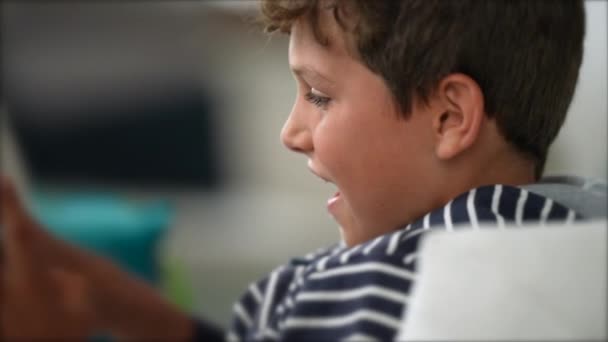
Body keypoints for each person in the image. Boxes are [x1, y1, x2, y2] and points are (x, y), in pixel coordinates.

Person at [0, 0, 588, 340]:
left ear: (449, 117)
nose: (292, 132)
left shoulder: (373, 288)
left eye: (320, 95)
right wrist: (132, 310)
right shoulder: (577, 236)